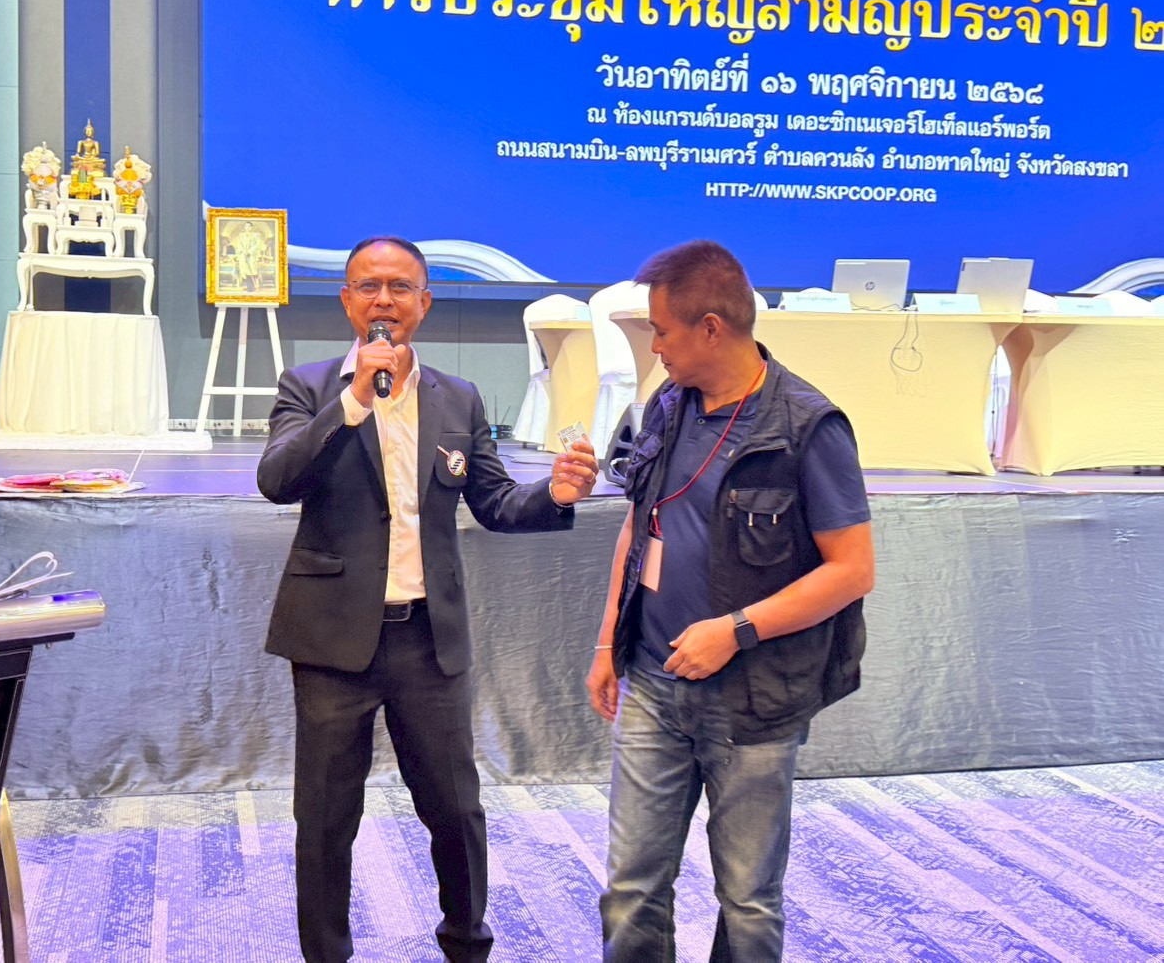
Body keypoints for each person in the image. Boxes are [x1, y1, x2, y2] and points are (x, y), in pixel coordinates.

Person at [258, 236, 600, 963]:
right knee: (324, 820)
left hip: (428, 642)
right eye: (368, 286)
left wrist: (555, 493)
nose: (383, 300)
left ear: (424, 302)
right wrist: (354, 399)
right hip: (331, 643)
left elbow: (495, 502)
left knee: (455, 811)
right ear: (346, 300)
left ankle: (466, 945)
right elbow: (277, 480)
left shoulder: (458, 398)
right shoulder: (308, 387)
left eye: (400, 288)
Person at [586, 241, 874, 962]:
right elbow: (638, 526)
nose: (655, 348)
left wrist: (735, 630)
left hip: (753, 701)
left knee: (747, 901)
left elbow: (851, 571)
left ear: (711, 328)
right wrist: (607, 643)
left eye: (662, 332)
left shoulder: (808, 427)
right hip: (653, 685)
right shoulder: (667, 404)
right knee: (630, 888)